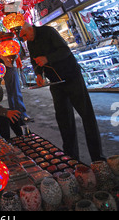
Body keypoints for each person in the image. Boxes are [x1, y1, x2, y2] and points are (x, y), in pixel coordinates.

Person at [19, 22, 105, 162]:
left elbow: (65, 50)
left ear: (30, 28)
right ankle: (71, 157)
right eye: (22, 37)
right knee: (64, 119)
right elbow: (35, 61)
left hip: (71, 77)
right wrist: (39, 74)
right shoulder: (30, 42)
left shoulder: (49, 32)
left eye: (25, 35)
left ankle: (97, 158)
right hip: (56, 83)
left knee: (86, 115)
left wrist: (47, 58)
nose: (25, 38)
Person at [0, 54, 33, 126]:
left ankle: (14, 114)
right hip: (10, 67)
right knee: (16, 92)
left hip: (6, 68)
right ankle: (21, 115)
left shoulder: (0, 47)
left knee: (11, 92)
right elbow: (15, 56)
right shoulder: (8, 45)